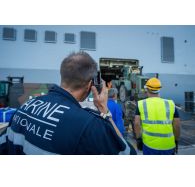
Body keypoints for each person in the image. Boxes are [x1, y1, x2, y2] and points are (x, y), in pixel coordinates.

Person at [0, 51, 131, 155]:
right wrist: (104, 110)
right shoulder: (89, 125)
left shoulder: (25, 107)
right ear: (90, 84)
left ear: (63, 76)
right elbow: (127, 154)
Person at [134, 77, 180, 155]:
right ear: (159, 89)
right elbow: (177, 126)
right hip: (168, 145)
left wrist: (138, 139)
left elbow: (137, 124)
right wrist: (176, 140)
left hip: (149, 146)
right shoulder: (170, 104)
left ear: (147, 89)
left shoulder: (141, 104)